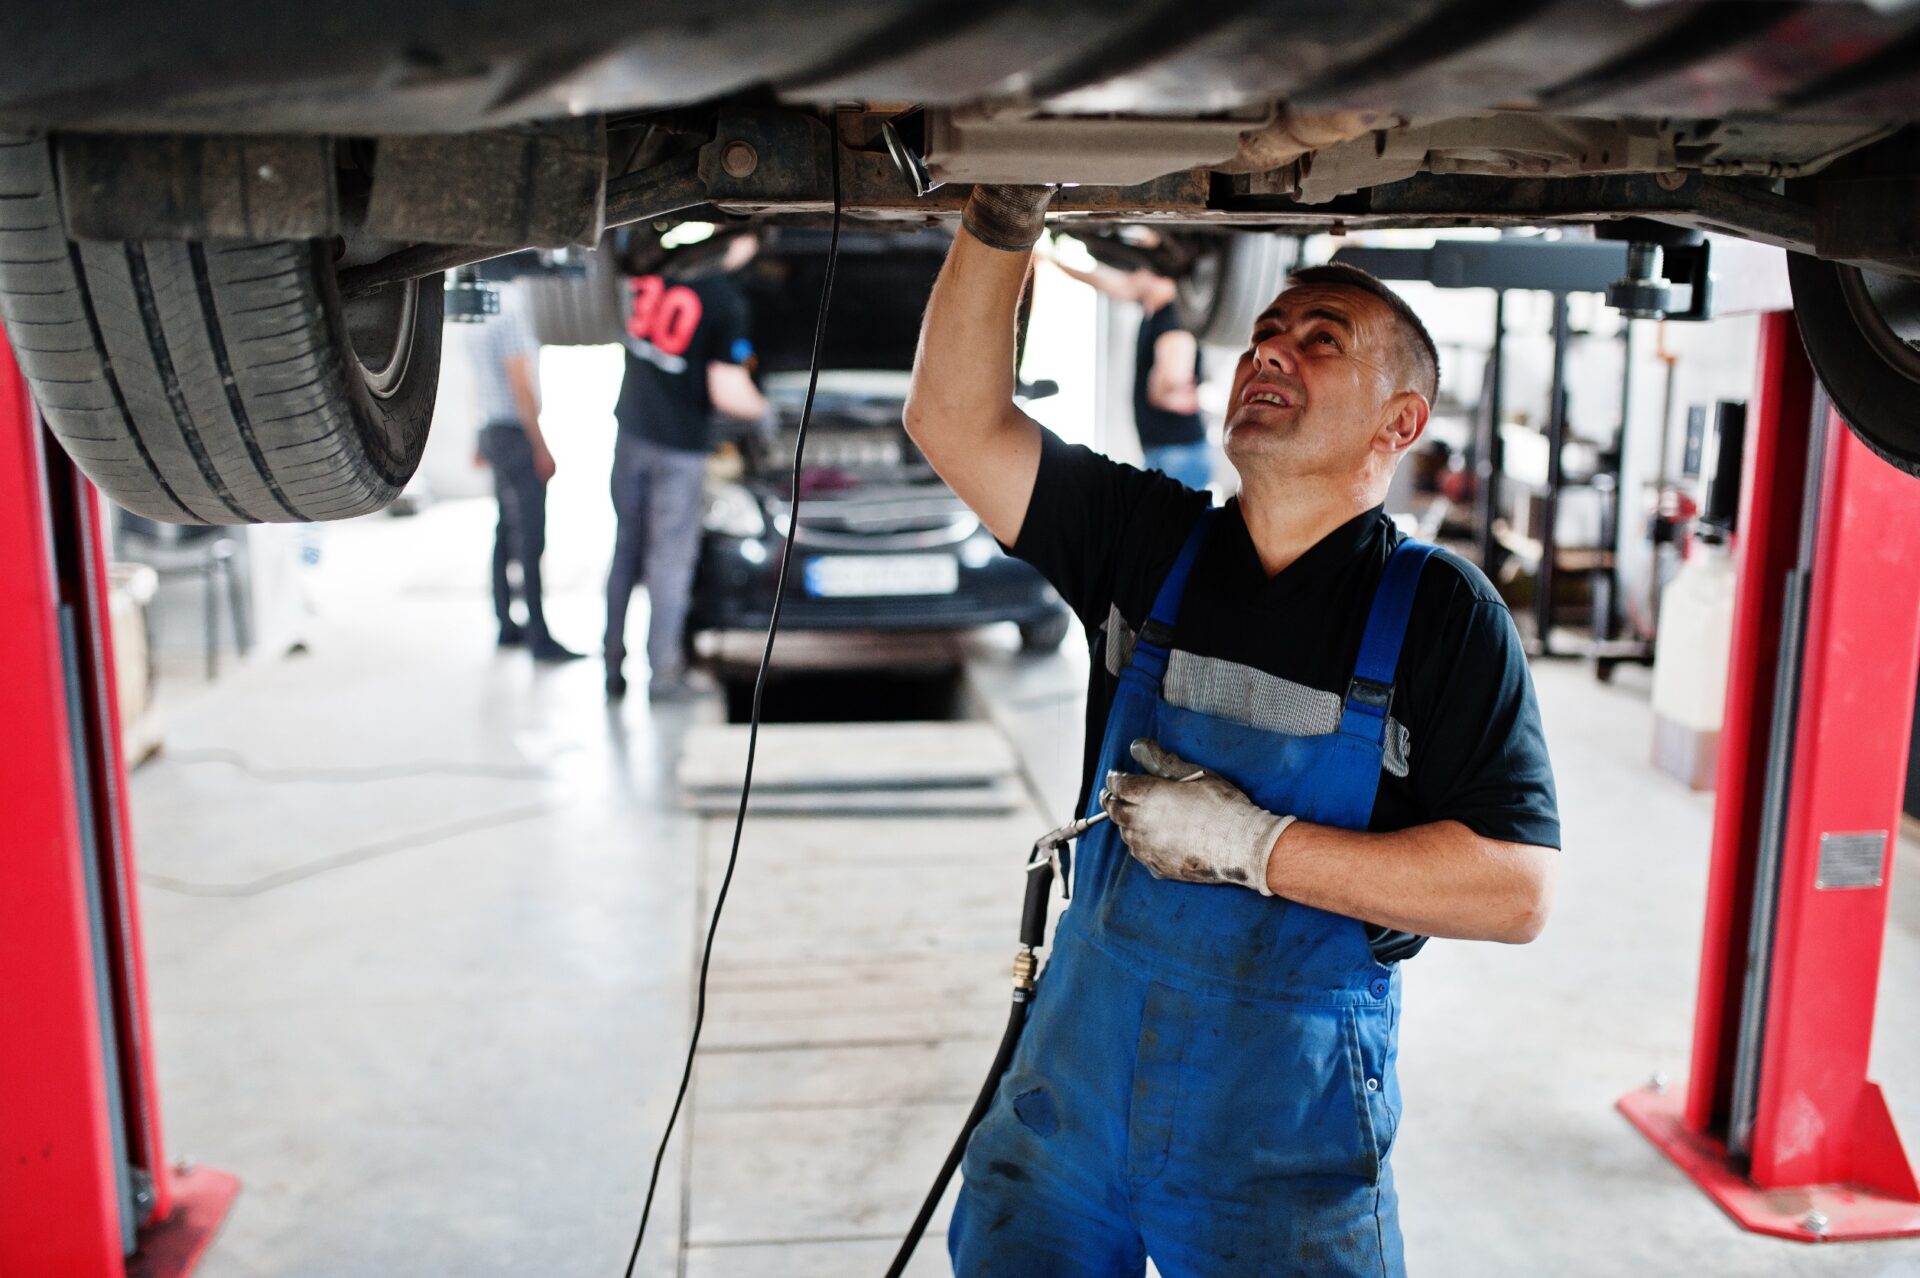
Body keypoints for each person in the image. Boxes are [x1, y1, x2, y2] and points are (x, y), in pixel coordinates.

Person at [904, 186, 1560, 1277]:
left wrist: (1256, 850)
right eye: (1264, 333)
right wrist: (1004, 214)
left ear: (1400, 422)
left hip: (1280, 1137)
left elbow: (1515, 889)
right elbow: (955, 421)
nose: (1272, 351)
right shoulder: (1145, 541)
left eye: (1320, 339)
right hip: (1071, 1105)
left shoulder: (1443, 616)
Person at [605, 232, 769, 701]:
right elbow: (727, 390)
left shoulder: (655, 269)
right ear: (740, 245)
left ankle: (612, 668)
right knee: (669, 563)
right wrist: (766, 412)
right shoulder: (724, 299)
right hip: (677, 448)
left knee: (626, 552)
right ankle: (664, 676)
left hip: (631, 433)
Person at [469, 282, 582, 663]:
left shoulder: (479, 304)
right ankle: (539, 636)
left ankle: (506, 624)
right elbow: (520, 382)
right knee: (531, 538)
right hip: (516, 434)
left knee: (505, 530)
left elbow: (479, 380)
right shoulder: (512, 305)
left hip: (493, 431)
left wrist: (478, 437)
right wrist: (541, 445)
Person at [1044, 244, 1211, 490]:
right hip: (1173, 453)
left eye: (1138, 270)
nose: (1133, 276)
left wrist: (1167, 391)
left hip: (1176, 457)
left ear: (1161, 278)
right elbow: (1106, 283)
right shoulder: (1159, 312)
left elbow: (1173, 393)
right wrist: (1050, 259)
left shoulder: (1171, 324)